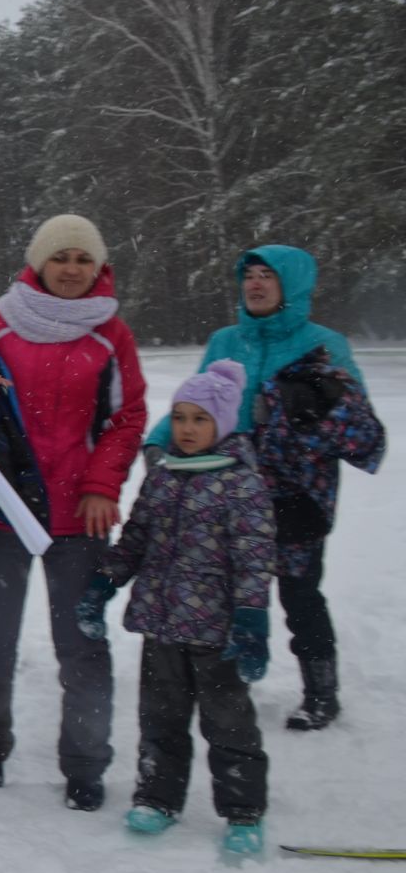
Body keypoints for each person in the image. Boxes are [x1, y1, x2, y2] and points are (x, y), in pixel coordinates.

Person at [0, 214, 147, 809]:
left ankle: (86, 763)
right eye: (60, 258)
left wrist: (101, 484)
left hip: (79, 517)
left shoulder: (110, 334)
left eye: (82, 260)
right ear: (38, 263)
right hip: (2, 510)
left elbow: (127, 417)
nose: (71, 270)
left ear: (98, 268)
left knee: (83, 645)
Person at [143, 245, 385, 731]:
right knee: (227, 595)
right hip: (226, 495)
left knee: (299, 595)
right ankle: (231, 680)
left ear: (291, 286)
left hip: (297, 496)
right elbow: (197, 403)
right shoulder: (226, 341)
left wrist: (299, 413)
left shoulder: (325, 344)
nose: (254, 284)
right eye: (249, 275)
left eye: (267, 277)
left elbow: (356, 425)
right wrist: (159, 442)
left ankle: (321, 691)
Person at [78, 361, 275, 856]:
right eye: (181, 418)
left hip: (218, 633)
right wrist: (104, 584)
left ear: (223, 424)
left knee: (229, 726)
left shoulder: (242, 484)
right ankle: (158, 798)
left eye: (200, 419)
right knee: (160, 721)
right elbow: (136, 541)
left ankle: (243, 810)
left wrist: (252, 621)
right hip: (162, 627)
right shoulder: (162, 478)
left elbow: (255, 559)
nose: (187, 429)